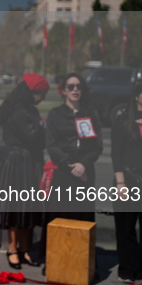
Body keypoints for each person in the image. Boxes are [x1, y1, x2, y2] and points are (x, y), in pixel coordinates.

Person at [42, 73, 103, 261]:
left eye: (78, 86)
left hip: (85, 170)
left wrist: (83, 164)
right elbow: (51, 145)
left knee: (82, 215)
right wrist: (70, 165)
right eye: (70, 86)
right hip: (63, 170)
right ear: (63, 90)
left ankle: (80, 260)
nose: (75, 89)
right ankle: (56, 259)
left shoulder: (91, 113)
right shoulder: (55, 114)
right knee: (60, 215)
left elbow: (97, 146)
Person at [0, 73, 48, 269]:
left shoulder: (25, 109)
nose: (44, 98)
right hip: (18, 162)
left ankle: (25, 248)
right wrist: (44, 128)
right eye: (42, 94)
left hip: (28, 161)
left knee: (28, 207)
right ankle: (13, 249)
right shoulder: (19, 111)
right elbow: (34, 137)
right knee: (16, 207)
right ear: (32, 92)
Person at [111, 78, 142, 285]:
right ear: (137, 96)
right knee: (126, 228)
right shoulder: (123, 121)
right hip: (127, 181)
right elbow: (116, 154)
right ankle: (128, 268)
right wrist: (121, 183)